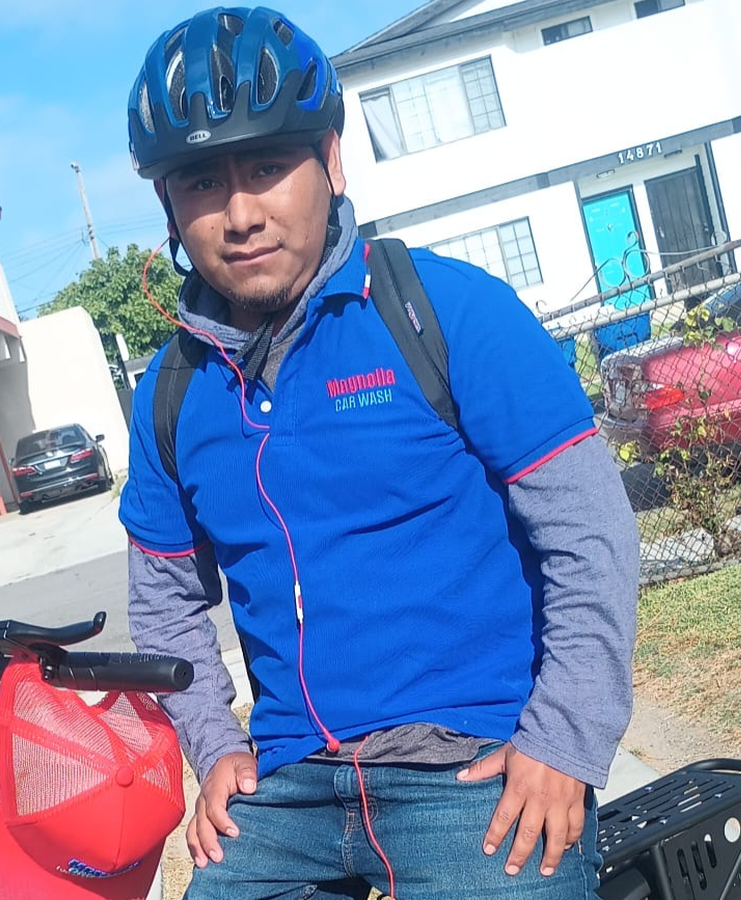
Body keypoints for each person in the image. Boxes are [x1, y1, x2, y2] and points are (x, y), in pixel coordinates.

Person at [120, 7, 639, 899]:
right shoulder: (171, 391)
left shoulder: (448, 312)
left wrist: (563, 741)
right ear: (169, 204)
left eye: (267, 167)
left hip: (472, 763)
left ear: (330, 160)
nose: (241, 213)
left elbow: (591, 533)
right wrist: (213, 744)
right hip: (286, 791)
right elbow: (163, 606)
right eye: (203, 181)